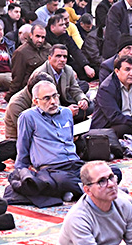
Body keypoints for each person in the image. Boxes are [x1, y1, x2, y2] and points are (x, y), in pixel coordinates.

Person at [5, 80, 88, 208]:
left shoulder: (66, 113)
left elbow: (70, 139)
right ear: (36, 101)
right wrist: (21, 172)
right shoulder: (28, 117)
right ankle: (85, 189)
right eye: (47, 98)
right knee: (65, 181)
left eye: (55, 96)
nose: (53, 102)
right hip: (52, 169)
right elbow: (23, 147)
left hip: (74, 164)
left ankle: (75, 191)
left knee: (112, 172)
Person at [8, 22, 49, 94]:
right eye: (37, 36)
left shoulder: (48, 48)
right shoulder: (21, 52)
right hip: (30, 89)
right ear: (31, 35)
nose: (40, 40)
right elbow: (17, 78)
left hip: (48, 85)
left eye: (43, 37)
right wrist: (11, 95)